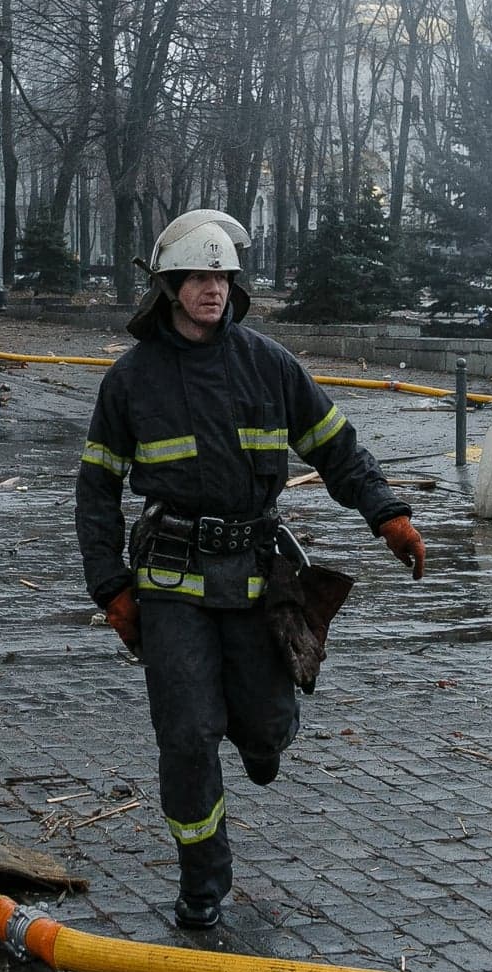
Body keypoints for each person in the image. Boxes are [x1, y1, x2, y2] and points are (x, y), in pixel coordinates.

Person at [77, 208, 425, 932]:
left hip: (255, 575)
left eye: (223, 275)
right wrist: (109, 585)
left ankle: (265, 740)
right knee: (187, 734)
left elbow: (336, 447)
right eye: (199, 275)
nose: (213, 287)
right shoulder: (132, 380)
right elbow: (96, 488)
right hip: (171, 583)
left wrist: (387, 514)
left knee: (263, 728)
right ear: (170, 284)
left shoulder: (268, 364)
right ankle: (204, 878)